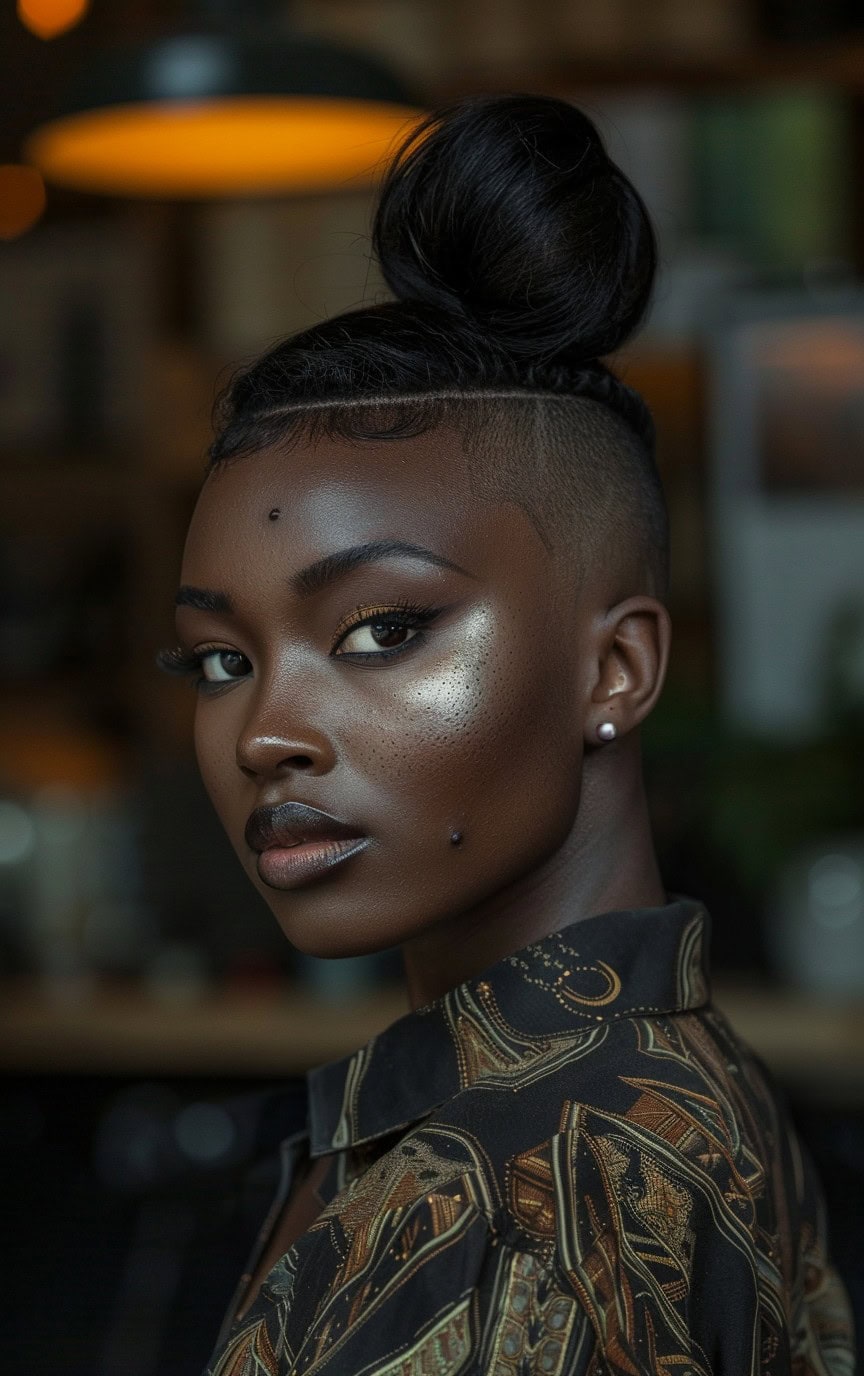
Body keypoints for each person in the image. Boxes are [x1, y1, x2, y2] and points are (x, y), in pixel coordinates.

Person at [160, 95, 855, 1375]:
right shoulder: (683, 1072)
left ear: (617, 664)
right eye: (222, 658)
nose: (266, 732)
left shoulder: (522, 1214)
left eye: (378, 630)